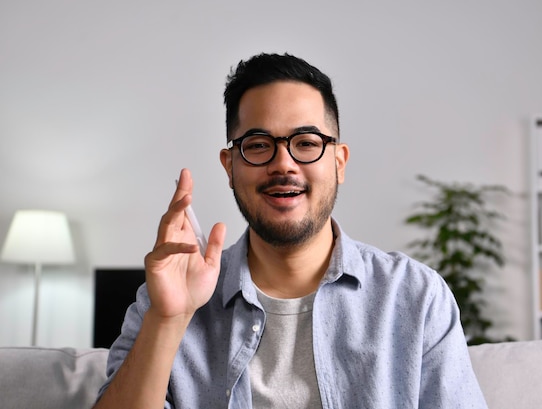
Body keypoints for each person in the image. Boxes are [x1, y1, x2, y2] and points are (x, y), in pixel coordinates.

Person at [94, 53, 487, 409]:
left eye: (305, 142)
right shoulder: (165, 303)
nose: (284, 164)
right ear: (229, 166)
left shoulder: (416, 297)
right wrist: (168, 321)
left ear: (339, 161)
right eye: (259, 144)